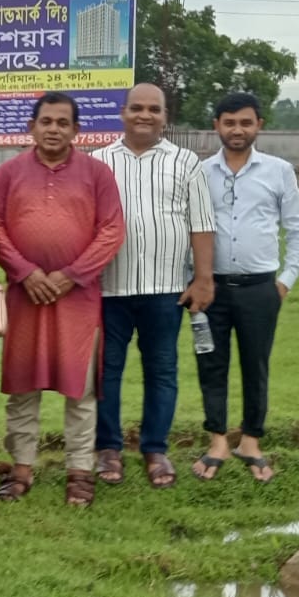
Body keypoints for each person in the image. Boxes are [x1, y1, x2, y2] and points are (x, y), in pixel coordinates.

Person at [0, 93, 125, 508]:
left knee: (80, 391)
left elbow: (111, 231)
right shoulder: (9, 173)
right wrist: (26, 272)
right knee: (22, 387)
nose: (53, 129)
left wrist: (70, 276)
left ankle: (80, 471)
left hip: (77, 300)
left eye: (62, 122)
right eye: (45, 121)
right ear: (31, 127)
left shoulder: (97, 174)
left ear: (76, 130)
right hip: (24, 296)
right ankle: (22, 468)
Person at [90, 85, 216, 490]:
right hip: (109, 287)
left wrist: (203, 278)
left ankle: (155, 449)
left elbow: (201, 224)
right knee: (106, 371)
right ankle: (107, 448)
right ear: (123, 112)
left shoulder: (185, 163)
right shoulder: (98, 163)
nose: (145, 115)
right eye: (137, 108)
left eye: (154, 110)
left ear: (165, 116)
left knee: (162, 370)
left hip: (166, 289)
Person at [192, 91, 299, 483]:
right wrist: (193, 281)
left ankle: (252, 442)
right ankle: (218, 441)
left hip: (262, 289)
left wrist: (285, 281)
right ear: (217, 127)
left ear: (259, 124)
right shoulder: (200, 173)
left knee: (255, 366)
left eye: (245, 122)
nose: (237, 130)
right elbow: (189, 231)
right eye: (229, 122)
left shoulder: (278, 171)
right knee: (211, 364)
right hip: (210, 289)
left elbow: (297, 229)